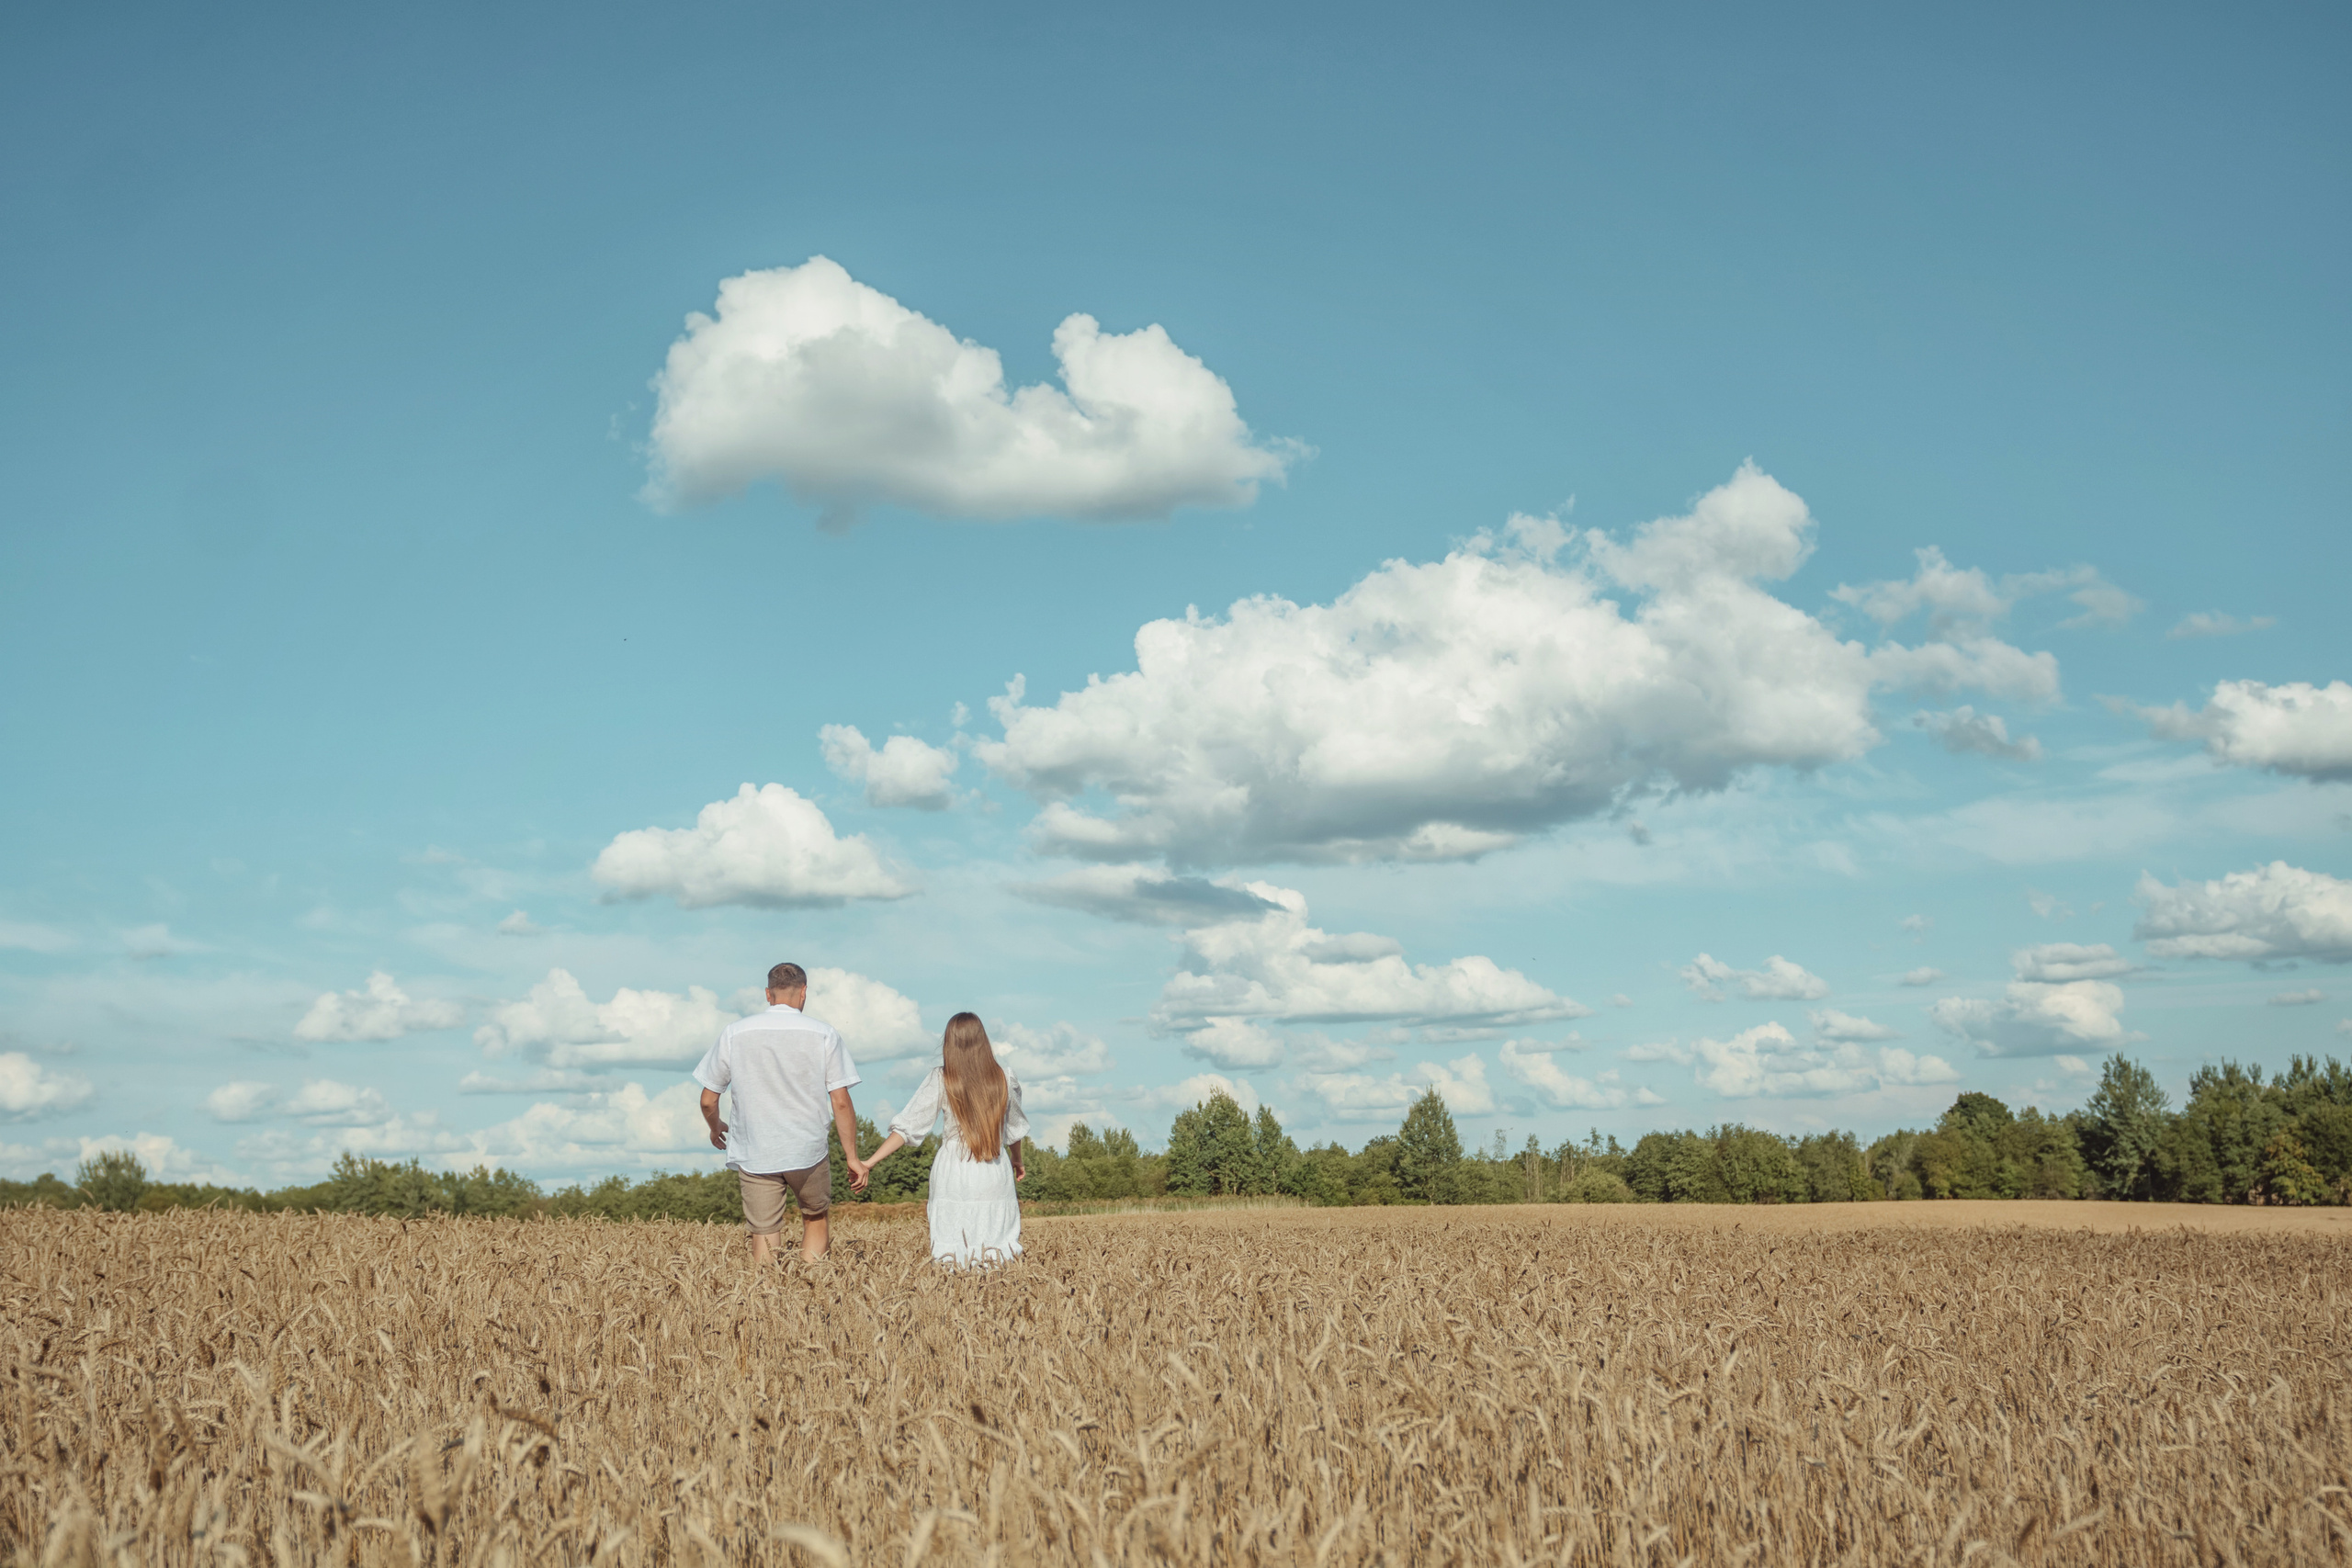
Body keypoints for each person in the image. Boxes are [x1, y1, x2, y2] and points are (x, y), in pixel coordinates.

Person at [693, 962, 865, 1263]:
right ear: (804, 992)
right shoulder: (823, 1033)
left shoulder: (735, 1033)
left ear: (767, 995)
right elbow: (840, 1101)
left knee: (764, 1230)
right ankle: (812, 1290)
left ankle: (769, 1303)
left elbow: (708, 1100)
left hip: (755, 1150)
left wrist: (715, 1125)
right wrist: (852, 1157)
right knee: (814, 1217)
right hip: (807, 1150)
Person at [852, 1012, 1026, 1265]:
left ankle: (955, 1295)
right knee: (997, 1243)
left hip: (953, 1169)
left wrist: (870, 1162)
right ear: (983, 1040)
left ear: (949, 1043)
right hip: (994, 1167)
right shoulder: (1005, 1077)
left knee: (952, 1247)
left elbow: (907, 1127)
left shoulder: (942, 1078)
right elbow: (1014, 1128)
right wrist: (1017, 1159)